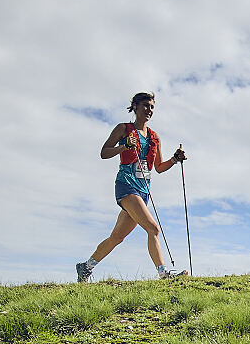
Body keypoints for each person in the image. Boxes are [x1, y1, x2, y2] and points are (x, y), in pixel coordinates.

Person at [76, 92, 187, 281]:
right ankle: (164, 273)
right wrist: (124, 146)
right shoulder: (123, 129)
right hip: (126, 186)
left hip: (143, 191)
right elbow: (104, 153)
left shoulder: (154, 137)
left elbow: (159, 168)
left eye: (152, 106)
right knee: (153, 229)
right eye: (145, 105)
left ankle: (85, 267)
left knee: (117, 237)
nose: (149, 110)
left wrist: (175, 159)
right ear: (135, 106)